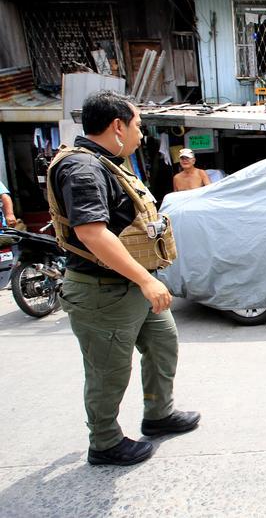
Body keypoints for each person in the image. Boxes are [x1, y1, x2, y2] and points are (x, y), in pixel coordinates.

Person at [46, 91, 200, 466]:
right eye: (137, 126)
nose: (140, 135)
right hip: (104, 290)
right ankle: (104, 441)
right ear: (117, 126)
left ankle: (158, 415)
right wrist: (146, 281)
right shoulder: (83, 168)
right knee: (108, 370)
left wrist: (145, 280)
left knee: (163, 343)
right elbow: (92, 233)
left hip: (132, 284)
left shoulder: (107, 163)